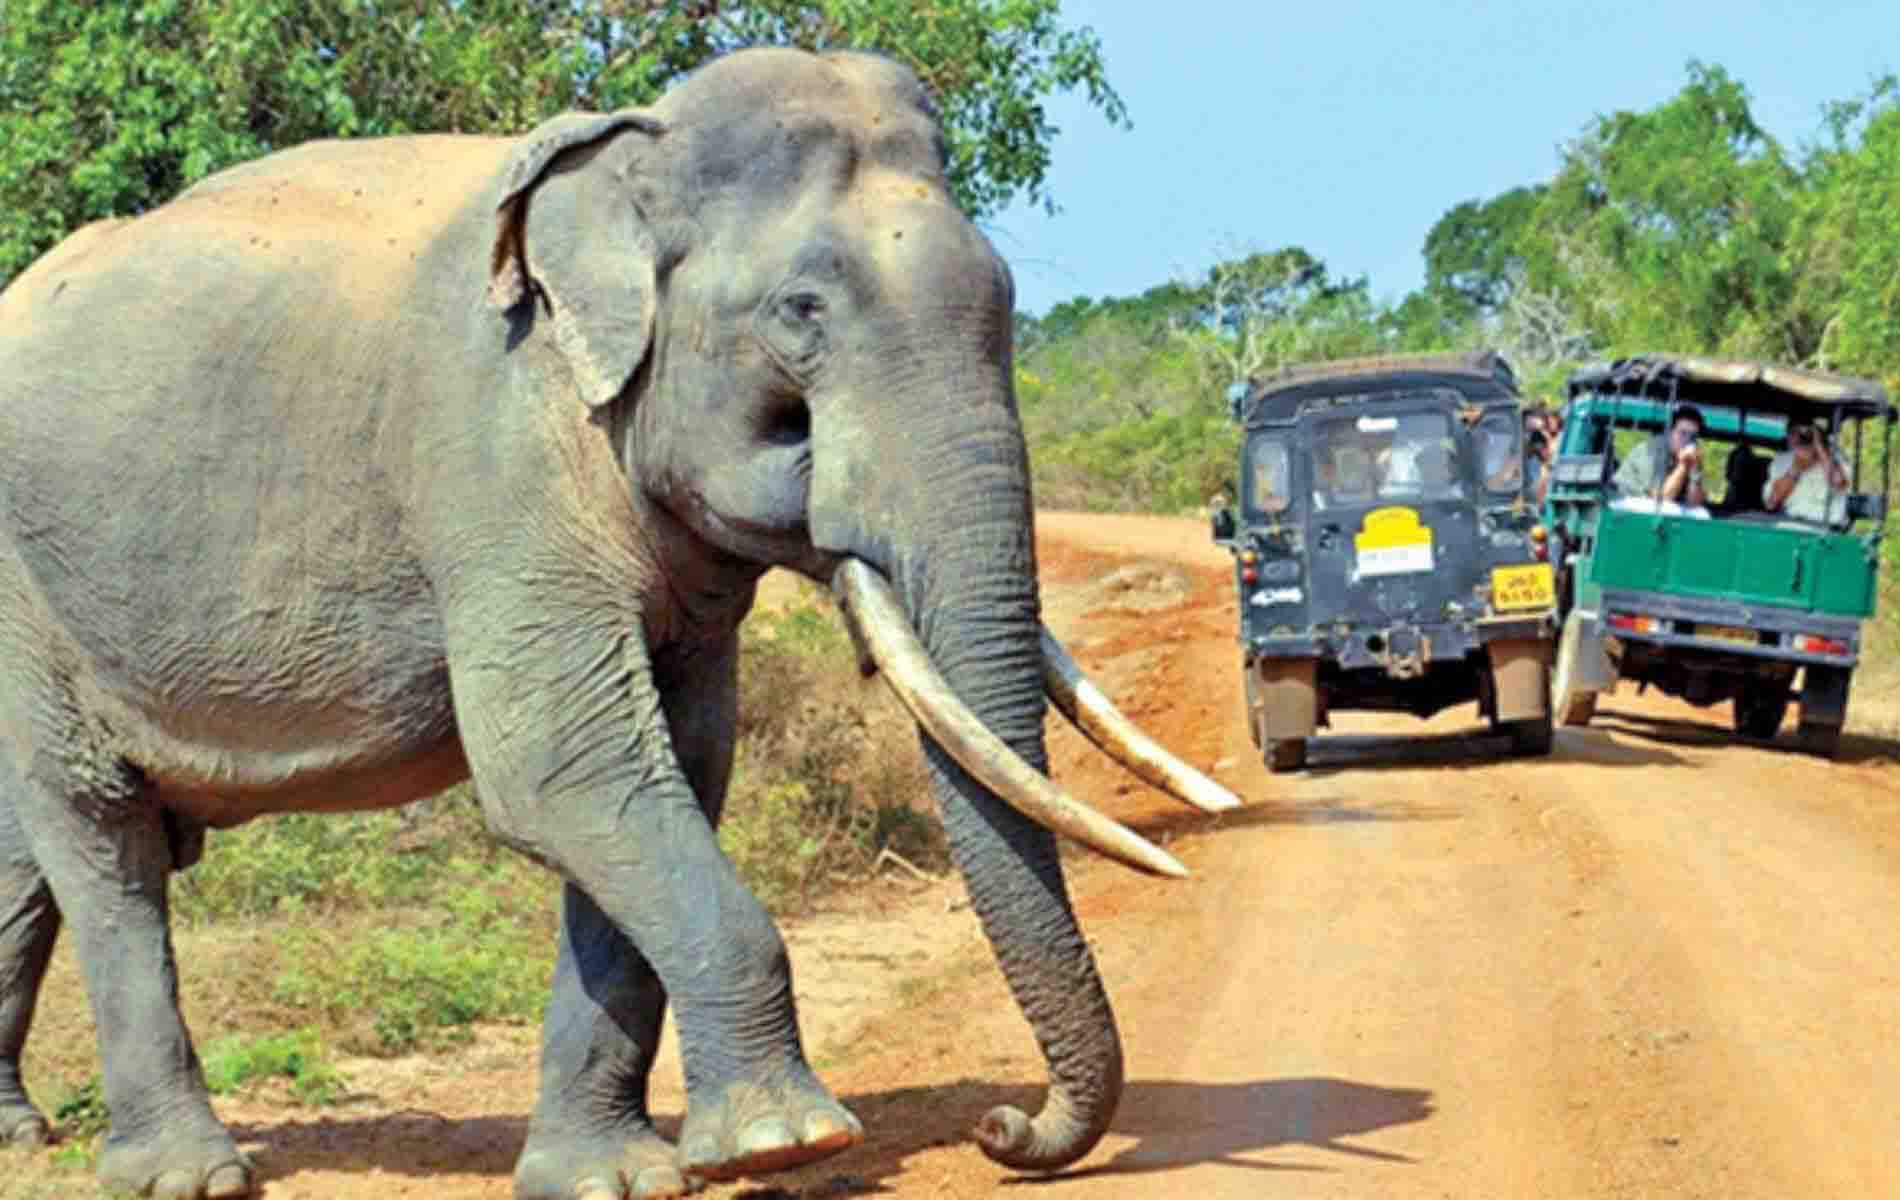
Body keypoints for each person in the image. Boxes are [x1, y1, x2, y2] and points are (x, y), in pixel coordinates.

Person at [1614, 405, 1706, 506]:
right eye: (1682, 433)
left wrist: (1695, 471)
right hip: (1623, 504)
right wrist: (1683, 466)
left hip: (1652, 508)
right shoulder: (1652, 451)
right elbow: (1660, 499)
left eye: (1692, 436)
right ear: (1670, 432)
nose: (1687, 440)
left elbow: (1694, 503)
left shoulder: (1692, 455)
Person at [1762, 420, 1849, 524]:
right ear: (1788, 435)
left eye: (1808, 433)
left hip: (1827, 525)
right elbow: (1771, 503)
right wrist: (1796, 467)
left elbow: (1839, 483)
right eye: (1794, 432)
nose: (1802, 438)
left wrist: (1819, 448)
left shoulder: (1835, 458)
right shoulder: (1781, 460)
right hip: (1792, 522)